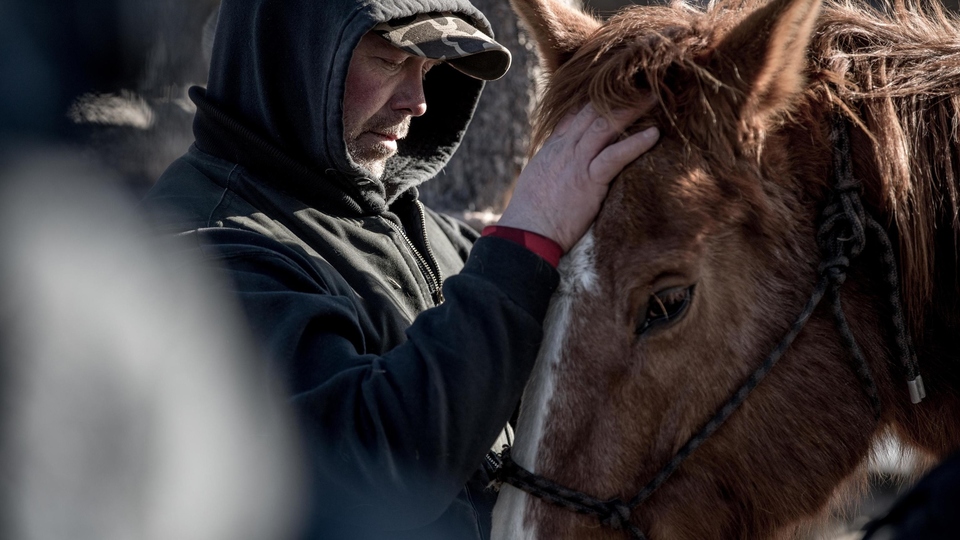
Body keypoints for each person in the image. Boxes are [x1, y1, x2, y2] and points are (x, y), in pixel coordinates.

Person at [140, 0, 659, 538]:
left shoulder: (410, 226)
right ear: (296, 56)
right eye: (390, 62)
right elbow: (369, 470)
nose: (419, 103)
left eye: (429, 70)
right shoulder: (203, 248)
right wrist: (530, 234)